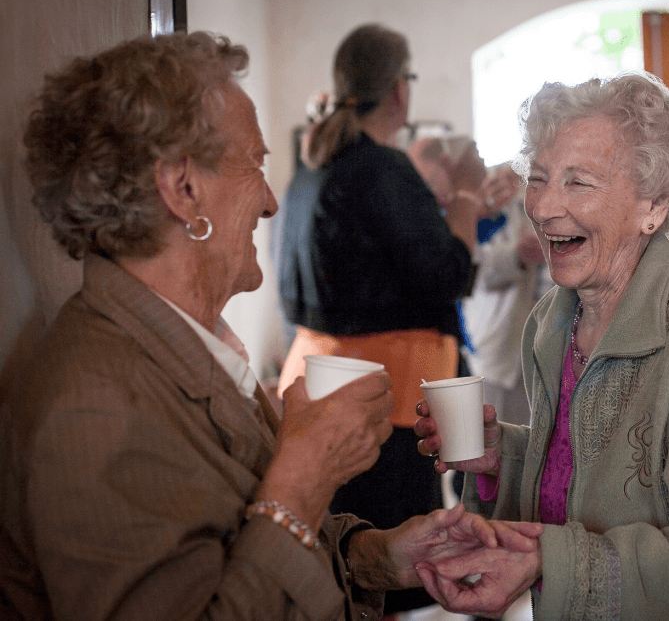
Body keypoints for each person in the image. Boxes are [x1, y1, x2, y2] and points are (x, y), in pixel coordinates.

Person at [0, 31, 541, 621]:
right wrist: (303, 477)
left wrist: (383, 557)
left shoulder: (185, 345)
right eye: (254, 164)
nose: (269, 202)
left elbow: (250, 540)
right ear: (183, 189)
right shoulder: (96, 408)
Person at [414, 72, 669, 620]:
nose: (545, 206)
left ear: (653, 204)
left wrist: (552, 561)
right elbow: (587, 471)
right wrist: (503, 456)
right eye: (540, 177)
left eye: (578, 182)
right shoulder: (552, 324)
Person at [275, 24, 483, 616]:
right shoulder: (382, 168)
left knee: (340, 556)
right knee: (386, 566)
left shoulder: (310, 168)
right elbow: (448, 275)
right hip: (384, 400)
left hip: (320, 380)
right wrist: (465, 195)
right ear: (399, 90)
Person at [461, 165, 553, 425]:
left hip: (541, 348)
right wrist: (517, 255)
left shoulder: (551, 198)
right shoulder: (490, 196)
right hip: (495, 347)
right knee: (487, 439)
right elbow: (473, 269)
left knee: (527, 445)